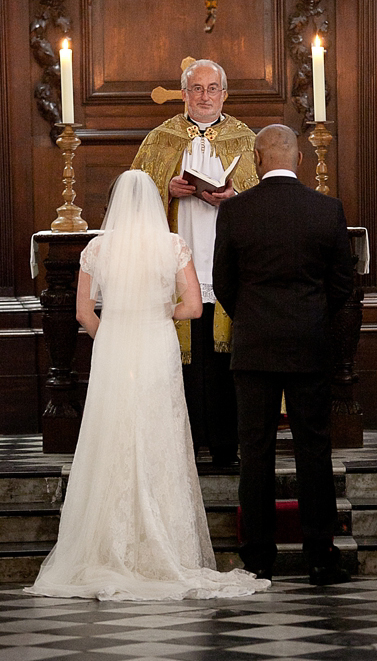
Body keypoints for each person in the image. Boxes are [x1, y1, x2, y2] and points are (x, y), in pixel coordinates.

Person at [26, 170, 269, 601]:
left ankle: (105, 546)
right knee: (159, 436)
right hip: (157, 347)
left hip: (116, 349)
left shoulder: (96, 249)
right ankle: (167, 546)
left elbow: (84, 315)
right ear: (157, 205)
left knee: (113, 436)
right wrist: (157, 314)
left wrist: (116, 333)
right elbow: (194, 308)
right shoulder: (173, 245)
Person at [213, 124, 354, 584]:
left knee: (255, 451)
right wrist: (311, 315)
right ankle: (319, 556)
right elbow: (341, 285)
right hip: (310, 344)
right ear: (298, 159)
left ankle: (257, 558)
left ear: (256, 159)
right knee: (314, 448)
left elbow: (226, 285)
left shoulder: (235, 212)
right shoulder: (326, 209)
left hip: (253, 345)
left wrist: (254, 319)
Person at [131, 59, 258, 467]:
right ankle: (180, 449)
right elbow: (132, 198)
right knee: (181, 361)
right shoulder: (160, 138)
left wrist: (235, 194)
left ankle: (224, 445)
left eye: (212, 88)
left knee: (224, 361)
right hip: (175, 267)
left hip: (227, 265)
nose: (205, 96)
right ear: (184, 94)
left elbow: (263, 197)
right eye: (197, 89)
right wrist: (166, 188)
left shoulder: (244, 139)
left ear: (225, 93)